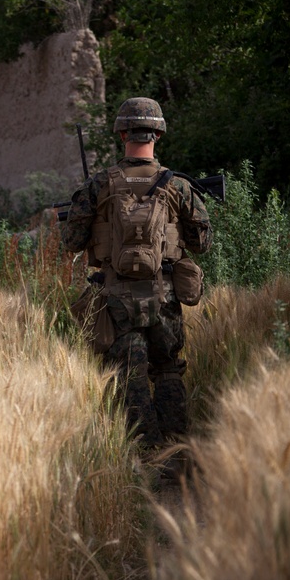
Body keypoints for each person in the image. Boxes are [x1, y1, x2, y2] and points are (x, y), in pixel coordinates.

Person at [60, 97, 212, 462]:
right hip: (165, 295)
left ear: (122, 133)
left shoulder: (98, 185)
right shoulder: (177, 186)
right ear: (157, 134)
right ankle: (178, 453)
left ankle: (146, 456)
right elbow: (202, 242)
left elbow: (71, 242)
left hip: (117, 296)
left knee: (131, 373)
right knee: (168, 368)